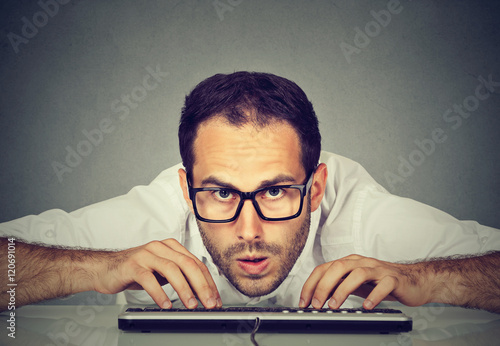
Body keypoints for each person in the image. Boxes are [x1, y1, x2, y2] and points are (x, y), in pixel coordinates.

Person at [1, 72, 499, 313]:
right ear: (185, 187)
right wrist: (89, 266)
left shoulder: (365, 216)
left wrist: (433, 279)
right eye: (219, 194)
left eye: (277, 191)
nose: (249, 231)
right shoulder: (160, 210)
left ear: (317, 187)